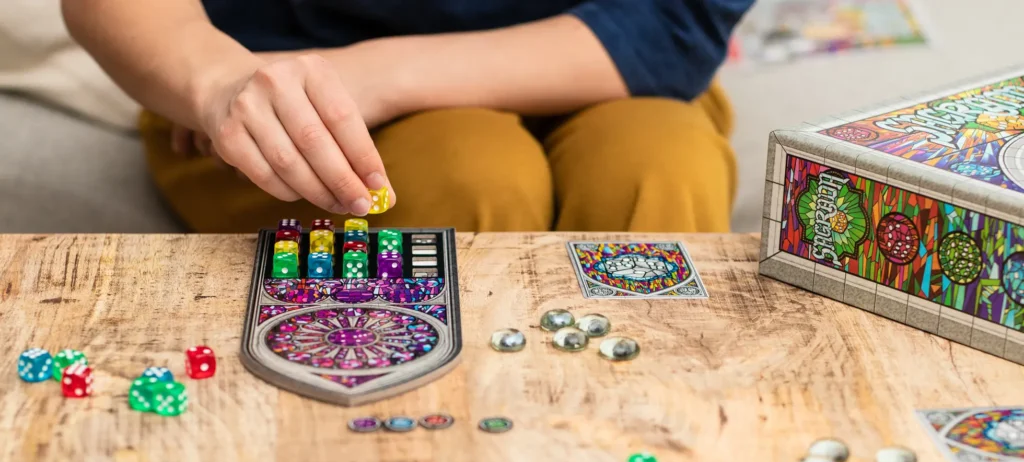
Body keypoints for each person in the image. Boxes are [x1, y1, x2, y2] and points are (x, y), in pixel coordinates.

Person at [63, 0, 753, 233]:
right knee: (466, 179)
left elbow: (677, 20)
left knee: (661, 171)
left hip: (601, 66)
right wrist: (214, 79)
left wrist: (381, 73)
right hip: (284, 78)